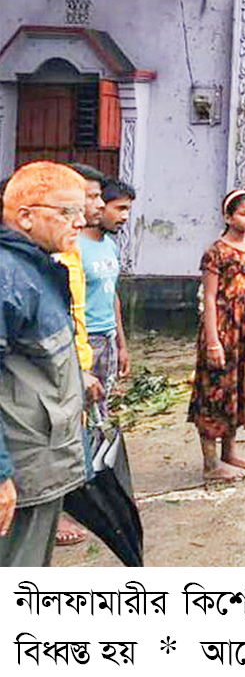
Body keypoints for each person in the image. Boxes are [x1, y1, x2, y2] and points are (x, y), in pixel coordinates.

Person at [0, 162, 89, 566]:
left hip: (42, 459)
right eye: (68, 212)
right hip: (22, 467)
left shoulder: (37, 267)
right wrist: (1, 474)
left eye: (82, 211)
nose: (81, 221)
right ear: (26, 216)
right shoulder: (8, 276)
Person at [188, 190, 245, 481]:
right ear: (228, 217)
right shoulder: (216, 252)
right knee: (215, 391)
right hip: (223, 329)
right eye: (243, 213)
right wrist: (213, 342)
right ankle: (211, 464)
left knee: (238, 389)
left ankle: (230, 453)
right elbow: (209, 298)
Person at [52, 163, 107, 547]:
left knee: (75, 436)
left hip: (80, 358)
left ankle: (70, 503)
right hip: (57, 369)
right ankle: (50, 515)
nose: (98, 204)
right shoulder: (46, 256)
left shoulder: (73, 249)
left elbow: (77, 313)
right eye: (91, 196)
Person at [79, 179, 136, 400]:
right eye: (120, 209)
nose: (125, 217)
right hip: (84, 341)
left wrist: (121, 345)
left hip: (108, 338)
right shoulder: (73, 248)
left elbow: (112, 296)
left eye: (128, 210)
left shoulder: (110, 246)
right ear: (101, 205)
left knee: (101, 409)